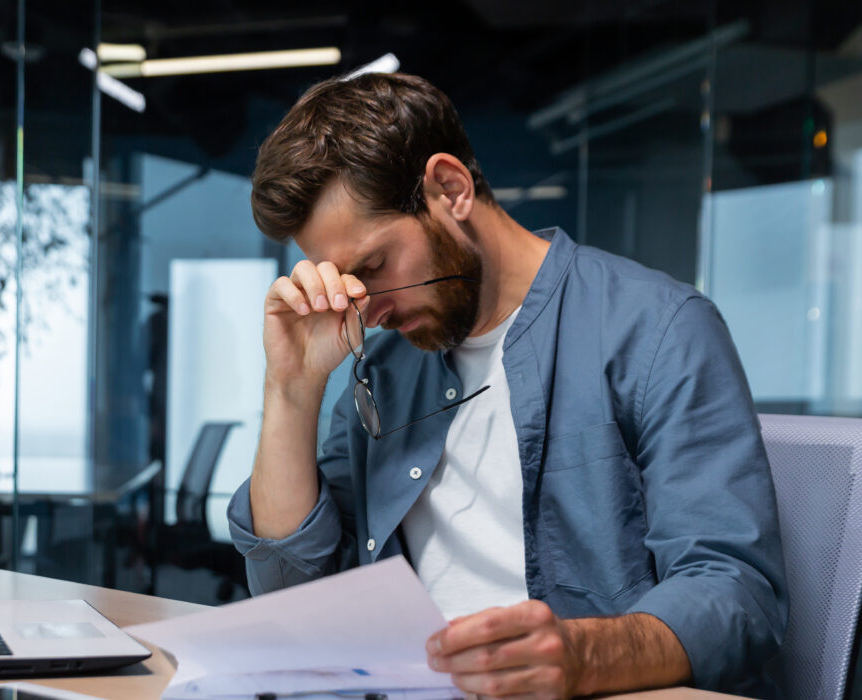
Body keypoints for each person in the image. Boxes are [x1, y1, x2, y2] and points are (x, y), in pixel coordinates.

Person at [226, 73, 786, 698]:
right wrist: (291, 388)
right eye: (346, 279)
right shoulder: (384, 372)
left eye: (376, 266)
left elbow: (737, 594)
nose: (369, 307)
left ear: (451, 188)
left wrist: (584, 657)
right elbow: (292, 598)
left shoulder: (656, 329)